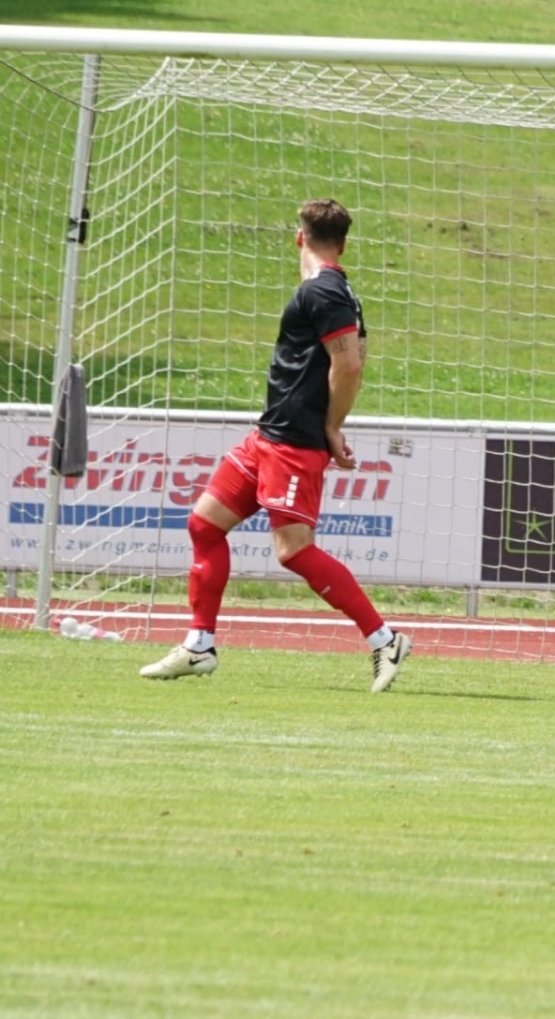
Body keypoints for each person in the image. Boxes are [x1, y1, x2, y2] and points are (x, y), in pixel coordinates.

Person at [139, 199, 412, 693]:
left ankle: (385, 639)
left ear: (298, 237)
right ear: (344, 243)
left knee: (293, 551)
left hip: (293, 441)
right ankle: (199, 646)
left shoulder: (325, 290)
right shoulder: (335, 291)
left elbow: (350, 365)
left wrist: (331, 427)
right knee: (204, 524)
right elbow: (358, 354)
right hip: (268, 436)